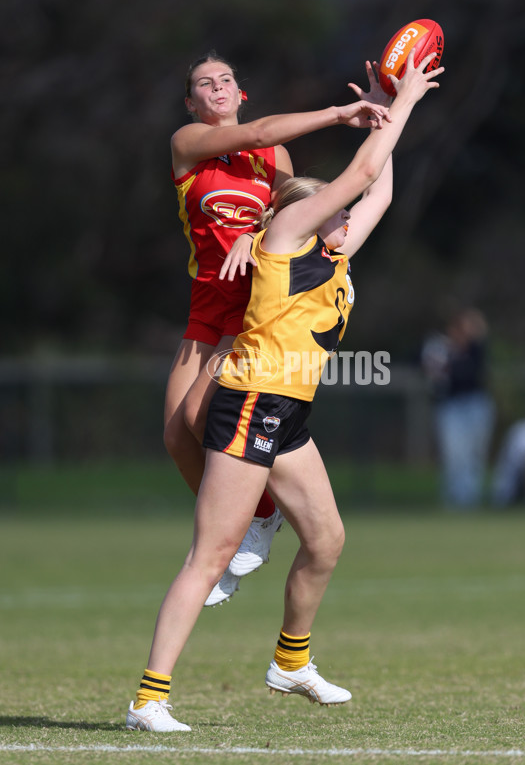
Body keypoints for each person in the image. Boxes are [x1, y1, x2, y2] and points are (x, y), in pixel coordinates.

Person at [125, 48, 444, 732]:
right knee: (207, 551)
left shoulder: (329, 248)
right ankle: (149, 698)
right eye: (326, 204)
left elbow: (376, 188)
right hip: (251, 399)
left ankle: (290, 661)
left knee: (327, 539)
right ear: (296, 217)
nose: (341, 210)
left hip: (287, 410)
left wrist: (381, 114)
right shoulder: (290, 234)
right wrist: (405, 99)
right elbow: (348, 177)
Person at [165, 51, 397, 605]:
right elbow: (260, 129)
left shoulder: (275, 153)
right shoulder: (187, 143)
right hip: (206, 302)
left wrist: (255, 235)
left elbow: (289, 210)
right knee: (177, 436)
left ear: (240, 92)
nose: (217, 87)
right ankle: (261, 517)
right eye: (205, 83)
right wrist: (341, 114)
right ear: (192, 103)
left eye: (226, 79)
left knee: (202, 415)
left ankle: (243, 529)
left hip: (250, 304)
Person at [421, 307, 495, 509]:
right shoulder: (440, 348)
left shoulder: (476, 349)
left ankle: (471, 499)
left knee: (475, 454)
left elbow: (473, 372)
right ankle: (455, 499)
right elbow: (432, 373)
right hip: (451, 406)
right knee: (454, 454)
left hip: (476, 404)